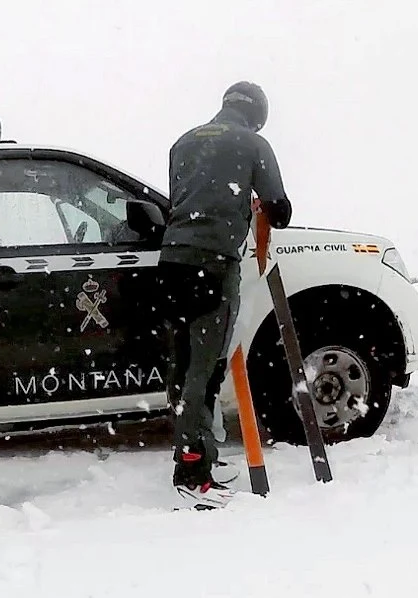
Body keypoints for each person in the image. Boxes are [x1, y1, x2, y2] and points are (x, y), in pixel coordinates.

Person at [158, 81, 293, 509]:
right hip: (213, 264)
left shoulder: (183, 142)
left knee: (181, 366)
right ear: (257, 114)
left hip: (173, 262)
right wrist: (257, 203)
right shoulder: (253, 143)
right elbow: (281, 212)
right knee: (205, 369)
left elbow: (186, 200)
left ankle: (198, 455)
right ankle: (193, 471)